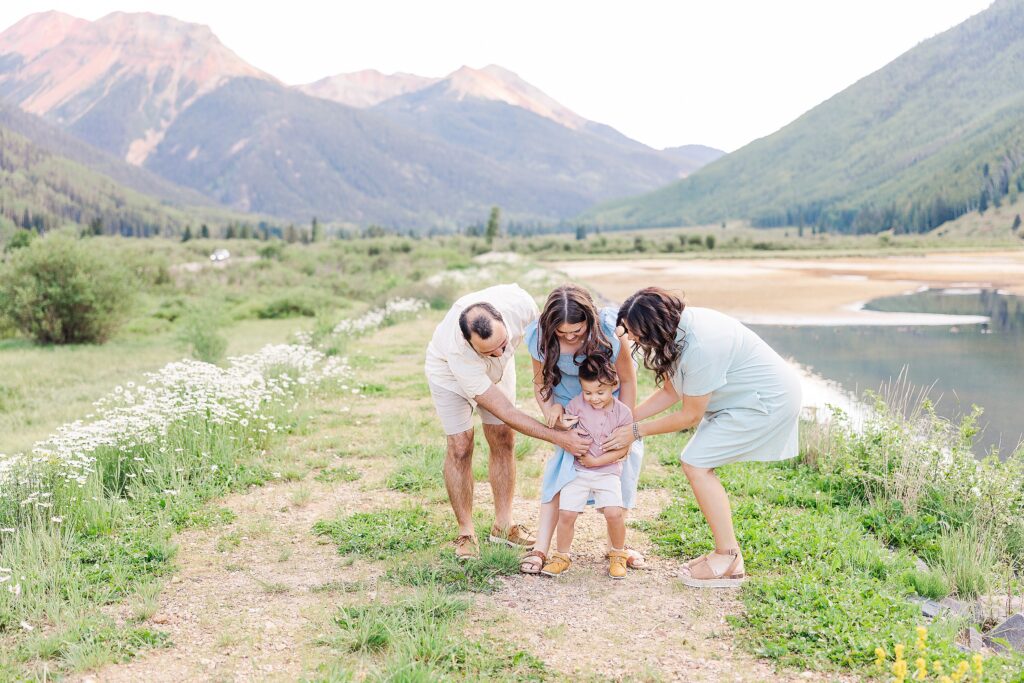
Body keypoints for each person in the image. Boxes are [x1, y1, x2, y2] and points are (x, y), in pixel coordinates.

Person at [604, 287, 802, 588]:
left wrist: (633, 432)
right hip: (740, 400)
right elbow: (671, 392)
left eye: (636, 333)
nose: (632, 340)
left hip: (765, 403)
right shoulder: (676, 333)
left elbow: (689, 416)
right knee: (695, 462)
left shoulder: (702, 345)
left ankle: (729, 558)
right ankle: (725, 553)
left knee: (696, 463)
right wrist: (623, 417)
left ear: (655, 325)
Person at [425, 283, 591, 561]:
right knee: (461, 445)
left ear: (504, 319)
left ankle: (503, 526)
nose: (500, 352)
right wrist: (559, 437)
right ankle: (466, 532)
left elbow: (546, 346)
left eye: (504, 344)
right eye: (490, 350)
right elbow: (507, 412)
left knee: (503, 437)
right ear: (470, 344)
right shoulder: (458, 352)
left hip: (496, 370)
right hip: (448, 375)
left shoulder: (521, 303)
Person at [518, 284, 646, 574]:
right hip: (570, 408)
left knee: (619, 470)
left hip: (607, 405)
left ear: (590, 319)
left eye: (577, 331)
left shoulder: (609, 330)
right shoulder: (539, 337)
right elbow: (540, 384)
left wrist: (624, 428)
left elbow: (627, 380)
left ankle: (617, 548)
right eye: (562, 334)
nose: (570, 338)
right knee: (561, 473)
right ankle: (541, 549)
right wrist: (550, 409)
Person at [539, 357, 635, 579]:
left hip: (607, 472)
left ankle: (618, 554)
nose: (594, 398)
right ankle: (562, 556)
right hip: (578, 473)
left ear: (614, 384)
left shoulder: (623, 413)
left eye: (600, 392)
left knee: (614, 513)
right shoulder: (577, 404)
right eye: (588, 392)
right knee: (566, 514)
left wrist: (596, 462)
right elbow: (564, 419)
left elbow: (623, 450)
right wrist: (556, 406)